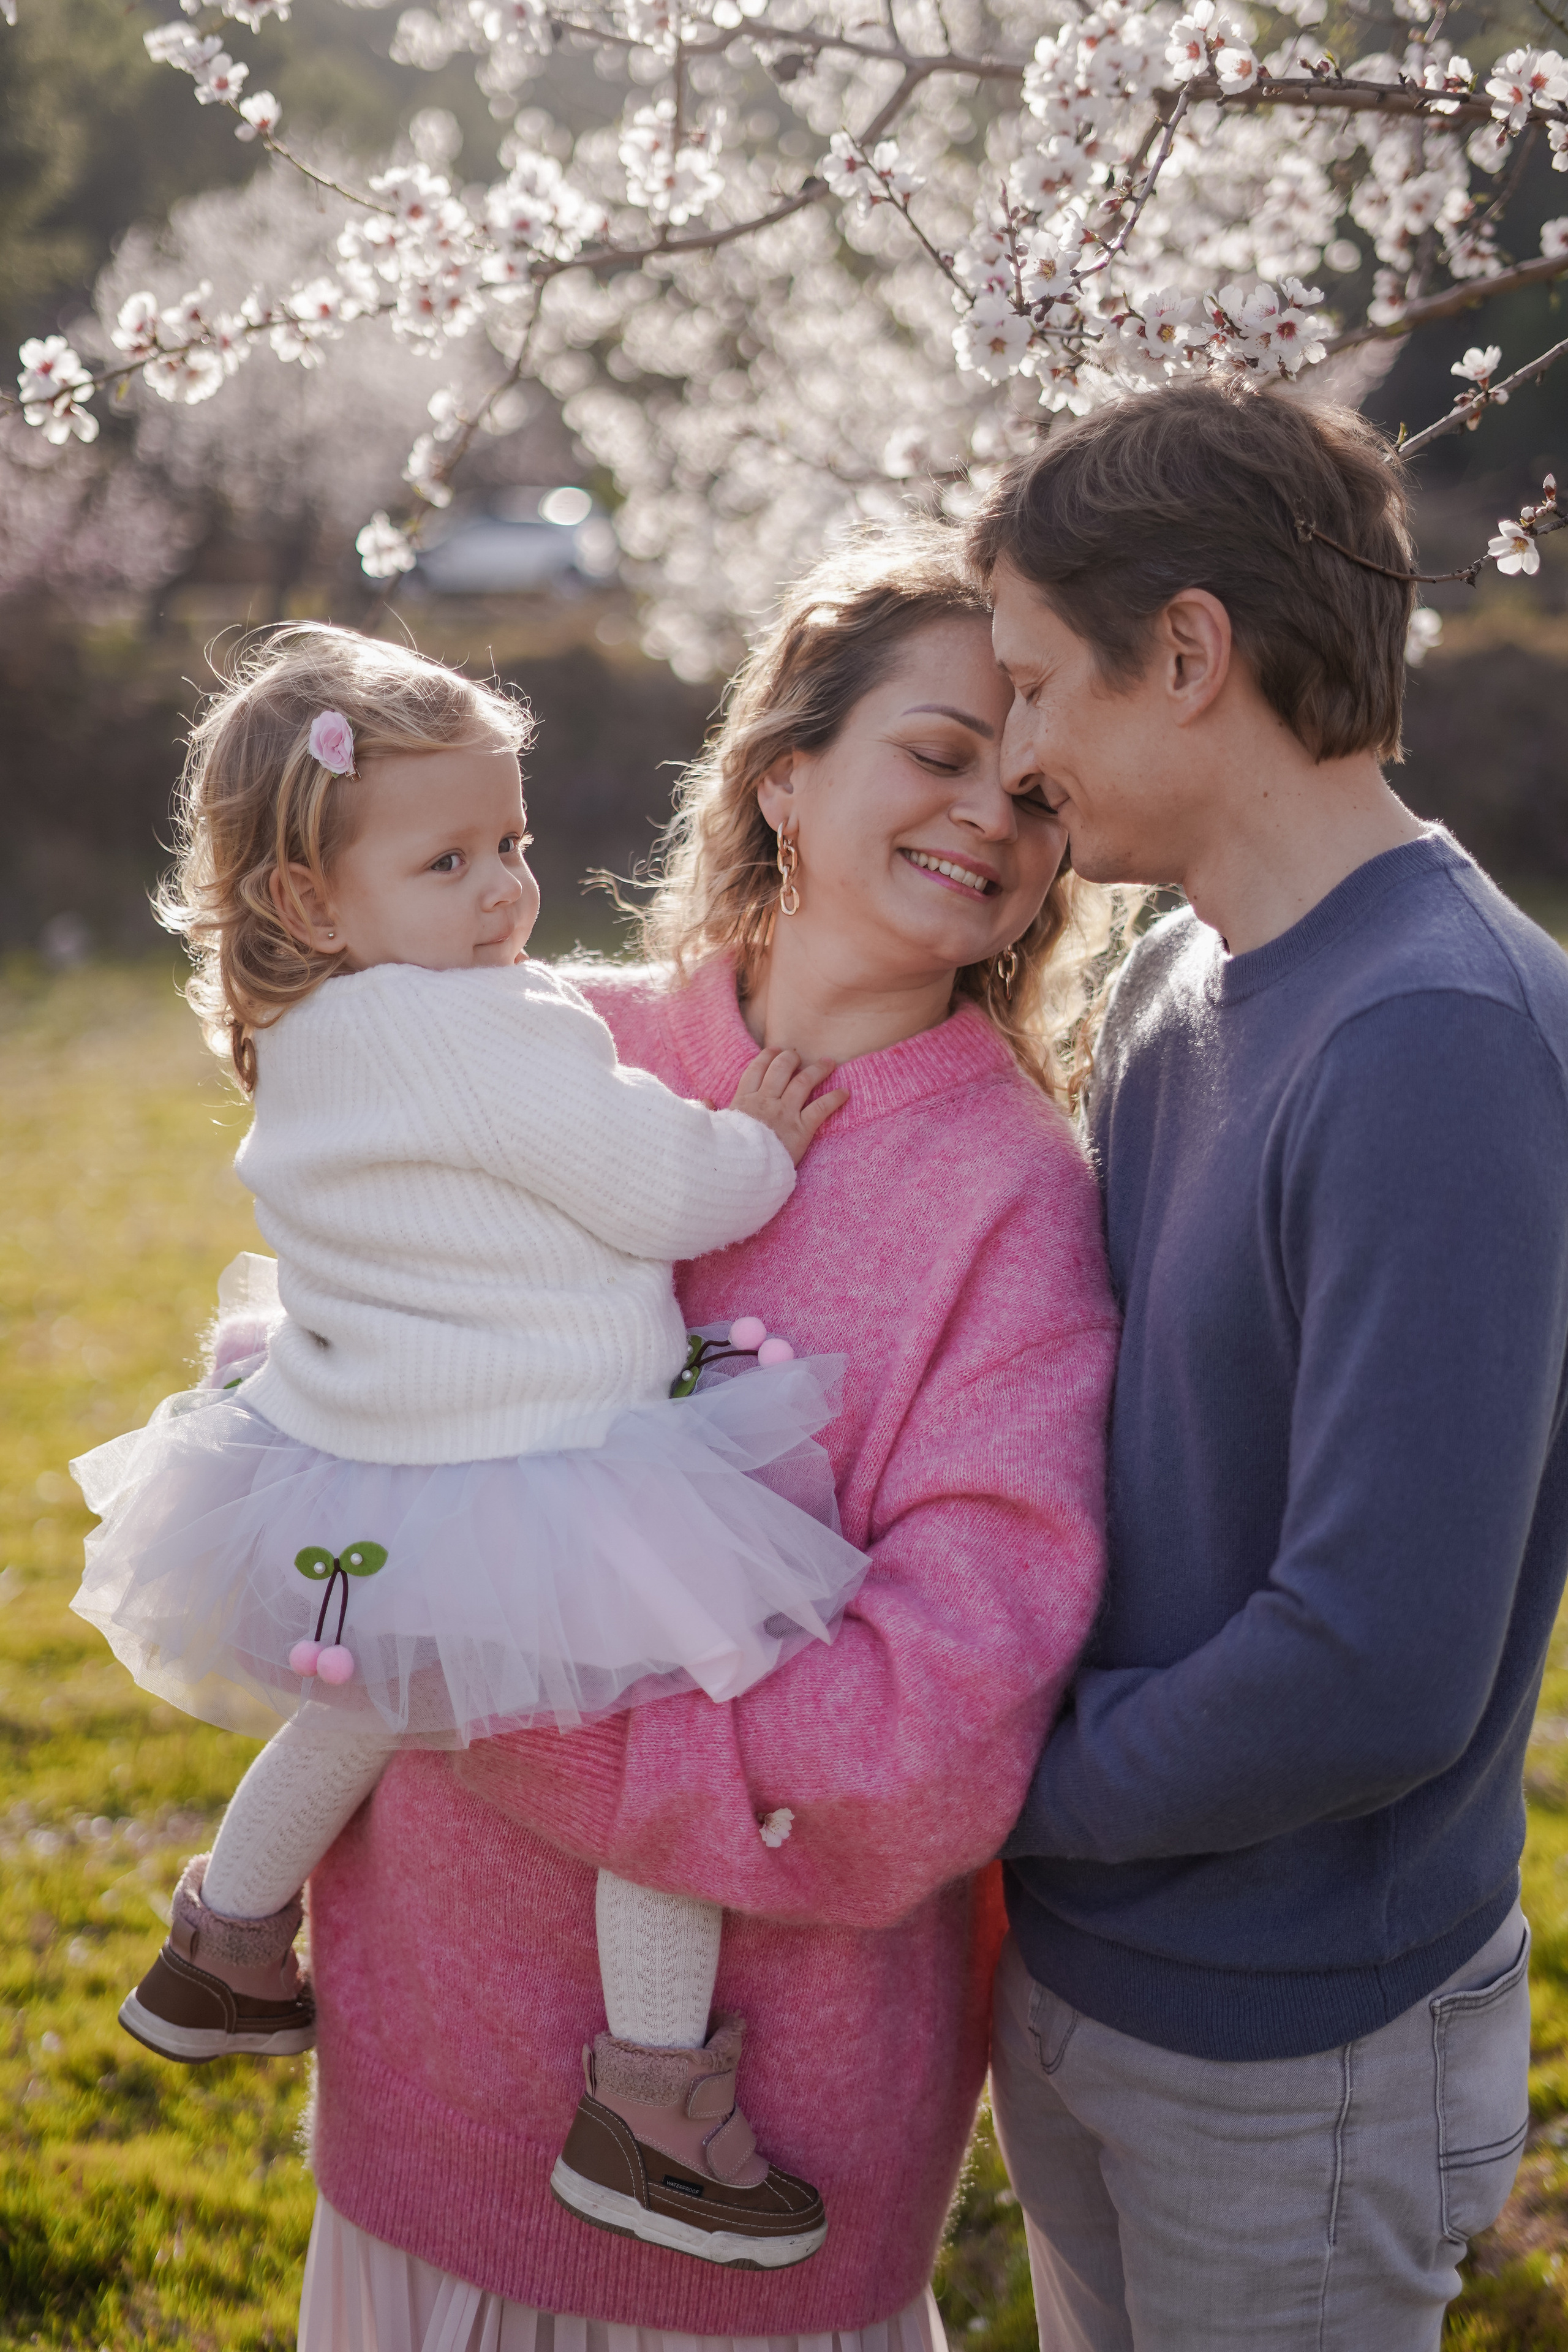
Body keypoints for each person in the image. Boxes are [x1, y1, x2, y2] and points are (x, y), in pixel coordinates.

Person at [278, 526, 1122, 2352]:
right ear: (785, 775)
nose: (994, 808)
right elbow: (330, 1356)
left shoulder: (1011, 1197)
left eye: (1035, 786)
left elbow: (945, 1704)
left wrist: (544, 1722)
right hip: (428, 2065)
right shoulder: (546, 1042)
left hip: (740, 2161)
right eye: (940, 748)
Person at [69, 621, 875, 2266]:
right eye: (448, 860)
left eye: (511, 845)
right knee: (667, 1737)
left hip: (370, 1463)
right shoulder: (494, 1027)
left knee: (359, 1697)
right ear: (312, 899)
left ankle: (220, 1946)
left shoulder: (305, 1033)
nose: (507, 891)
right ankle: (650, 2101)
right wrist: (758, 1147)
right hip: (556, 1459)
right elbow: (656, 1188)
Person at [974, 380, 1568, 2350]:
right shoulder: (1175, 966)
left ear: (1192, 654)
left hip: (1288, 2052)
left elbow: (1372, 1665)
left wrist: (994, 1786)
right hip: (1085, 1976)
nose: (1020, 751)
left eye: (1042, 685)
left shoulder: (1440, 1040)